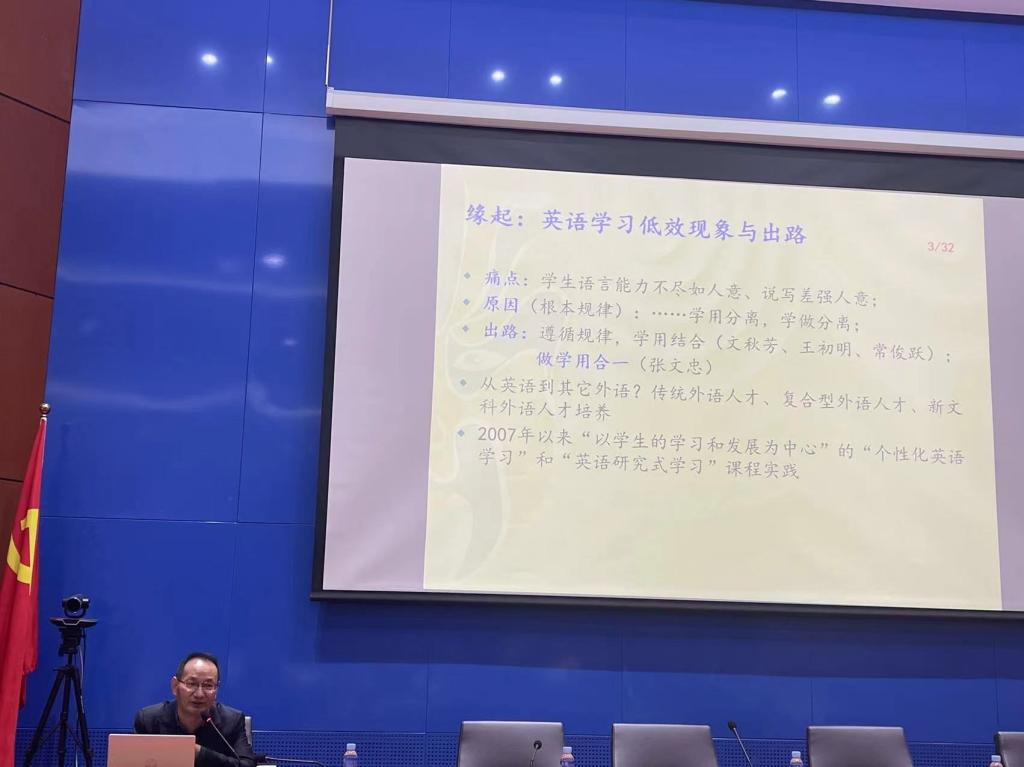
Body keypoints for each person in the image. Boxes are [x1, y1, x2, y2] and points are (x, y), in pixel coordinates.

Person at [133, 651, 256, 767]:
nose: (199, 694)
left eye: (208, 685)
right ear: (175, 686)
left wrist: (199, 753)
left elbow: (247, 765)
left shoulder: (232, 721)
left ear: (216, 690)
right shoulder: (149, 720)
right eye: (191, 684)